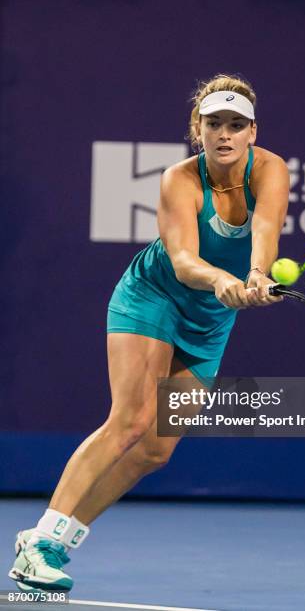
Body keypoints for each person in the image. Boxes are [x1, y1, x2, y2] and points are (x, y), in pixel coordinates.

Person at [9, 73, 289, 592]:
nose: (224, 134)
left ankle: (53, 543)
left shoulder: (271, 170)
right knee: (132, 420)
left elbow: (265, 236)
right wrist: (223, 279)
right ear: (196, 130)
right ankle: (40, 541)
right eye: (213, 125)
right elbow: (184, 261)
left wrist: (255, 277)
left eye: (236, 125)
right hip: (153, 298)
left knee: (156, 449)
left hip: (209, 322)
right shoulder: (179, 180)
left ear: (253, 132)